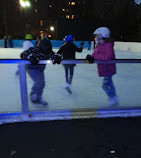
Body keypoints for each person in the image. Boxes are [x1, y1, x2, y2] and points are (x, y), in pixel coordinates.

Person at [20, 37, 61, 106]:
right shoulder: (34, 49)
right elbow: (23, 54)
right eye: (45, 51)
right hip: (31, 68)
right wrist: (30, 57)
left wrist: (57, 57)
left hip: (40, 69)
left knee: (42, 84)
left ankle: (39, 97)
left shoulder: (49, 51)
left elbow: (54, 55)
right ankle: (33, 93)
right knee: (39, 82)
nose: (47, 54)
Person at [86, 27, 119, 106]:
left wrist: (95, 56)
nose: (96, 38)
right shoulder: (99, 45)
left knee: (105, 85)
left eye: (98, 36)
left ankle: (112, 98)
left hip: (109, 69)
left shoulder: (108, 45)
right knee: (109, 84)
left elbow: (107, 57)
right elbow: (95, 55)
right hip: (105, 69)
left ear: (103, 36)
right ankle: (114, 98)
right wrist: (91, 57)